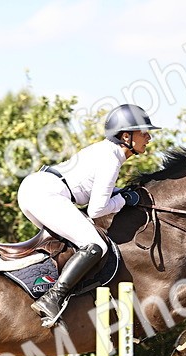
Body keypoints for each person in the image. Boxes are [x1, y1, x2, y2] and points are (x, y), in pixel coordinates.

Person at [19, 104, 160, 327]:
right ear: (126, 136)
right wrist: (125, 200)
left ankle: (45, 285)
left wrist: (118, 194)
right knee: (95, 245)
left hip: (36, 190)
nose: (148, 137)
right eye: (143, 132)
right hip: (46, 193)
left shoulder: (104, 151)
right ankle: (52, 299)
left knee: (71, 243)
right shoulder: (111, 158)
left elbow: (91, 192)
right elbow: (96, 210)